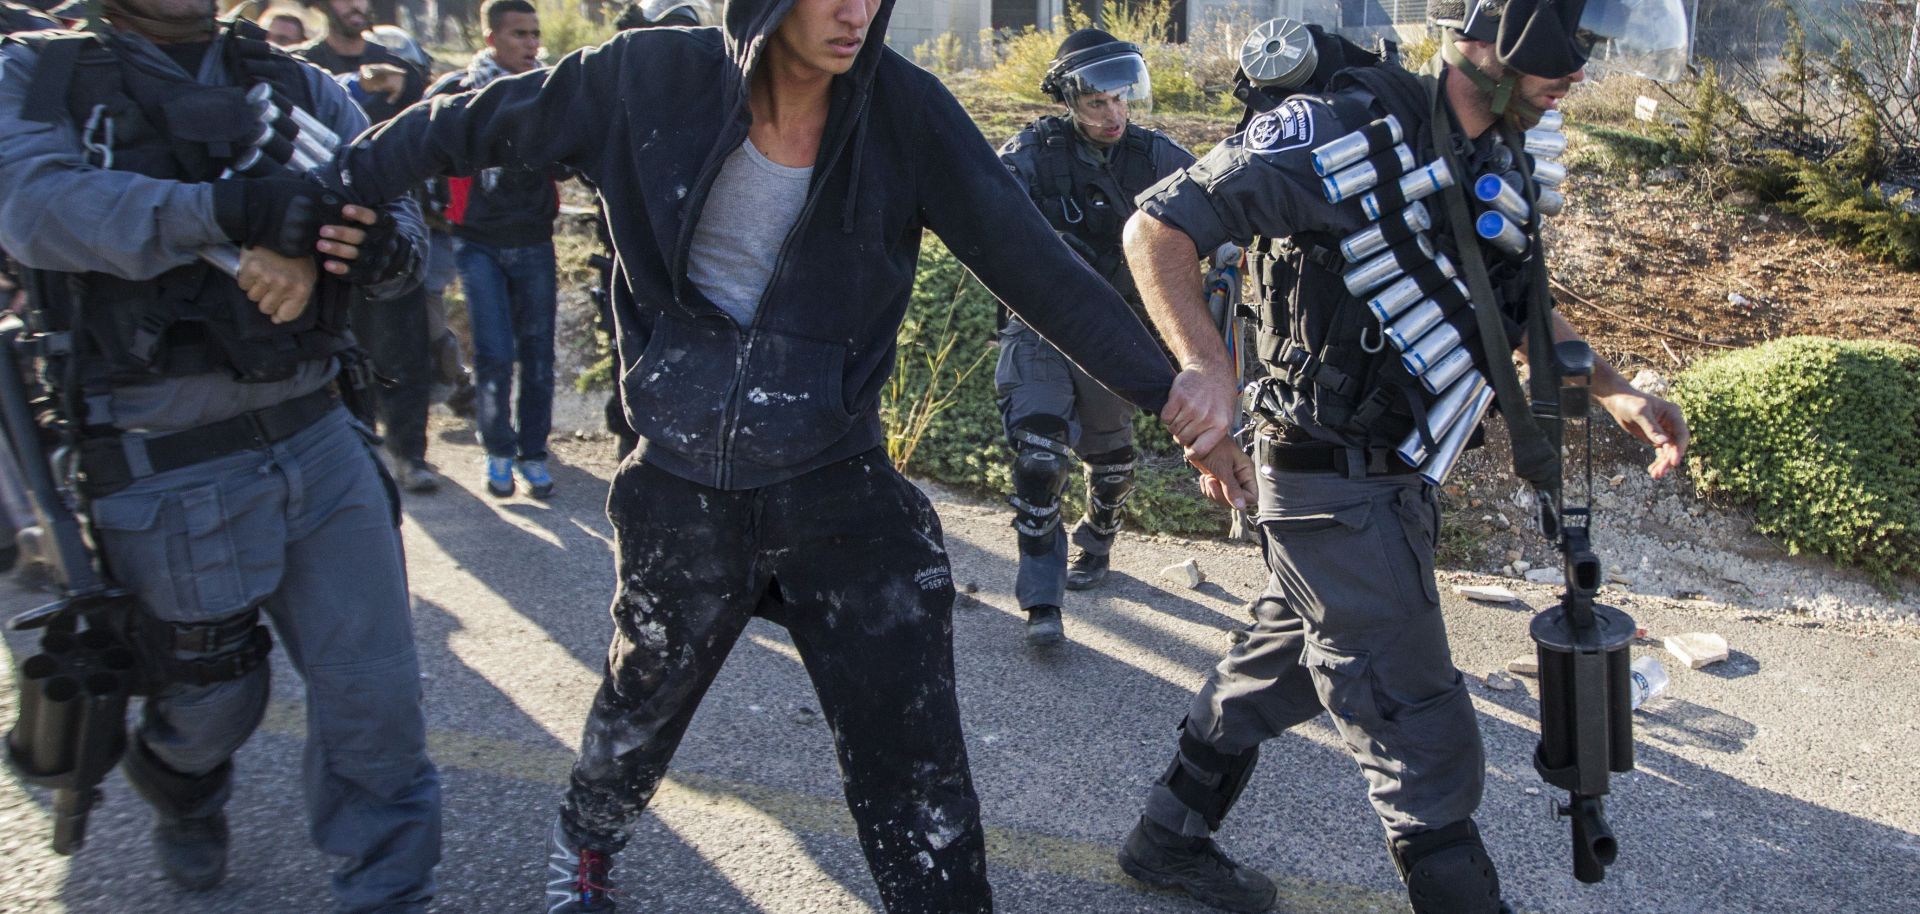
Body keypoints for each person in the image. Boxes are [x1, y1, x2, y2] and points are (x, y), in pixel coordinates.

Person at [330, 0, 1249, 907]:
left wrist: (1179, 404)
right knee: (639, 705)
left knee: (917, 773)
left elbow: (1038, 266)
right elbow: (457, 127)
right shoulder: (642, 79)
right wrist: (323, 205)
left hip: (837, 480)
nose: (856, 14)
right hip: (680, 483)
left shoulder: (904, 109)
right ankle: (586, 842)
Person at [1110, 1, 1691, 912]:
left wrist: (1616, 391)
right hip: (1326, 480)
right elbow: (1158, 229)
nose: (1581, 68)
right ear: (1498, 35)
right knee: (1421, 733)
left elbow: (1515, 311)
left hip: (1393, 475)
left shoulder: (1493, 154)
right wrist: (1204, 369)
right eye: (1569, 45)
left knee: (1278, 666)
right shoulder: (1336, 130)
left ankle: (1165, 839)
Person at [0, 2, 440, 910]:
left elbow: (393, 197)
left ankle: (391, 892)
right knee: (209, 711)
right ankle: (184, 791)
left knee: (378, 706)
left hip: (317, 432)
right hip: (167, 463)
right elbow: (35, 208)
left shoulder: (298, 81)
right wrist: (230, 215)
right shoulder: (38, 76)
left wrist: (381, 249)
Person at [994, 29, 1194, 646]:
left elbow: (1220, 198)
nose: (1114, 115)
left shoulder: (1155, 155)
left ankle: (1098, 540)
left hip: (1116, 334)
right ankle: (1041, 601)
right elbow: (980, 203)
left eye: (1121, 100)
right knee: (1038, 454)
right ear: (1069, 101)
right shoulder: (1031, 152)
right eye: (1097, 104)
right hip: (1043, 324)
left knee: (1109, 468)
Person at [296, 0, 440, 492]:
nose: (355, 5)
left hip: (389, 236)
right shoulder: (301, 69)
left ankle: (410, 455)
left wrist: (406, 93)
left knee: (407, 351)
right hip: (322, 242)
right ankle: (358, 455)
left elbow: (435, 127)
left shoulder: (398, 63)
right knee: (340, 353)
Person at [429, 0, 564, 498]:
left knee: (539, 357)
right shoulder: (457, 92)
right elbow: (427, 153)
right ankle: (498, 451)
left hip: (533, 240)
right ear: (490, 39)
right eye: (519, 34)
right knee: (493, 355)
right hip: (477, 243)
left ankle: (533, 454)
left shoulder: (551, 91)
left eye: (535, 34)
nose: (531, 43)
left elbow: (571, 162)